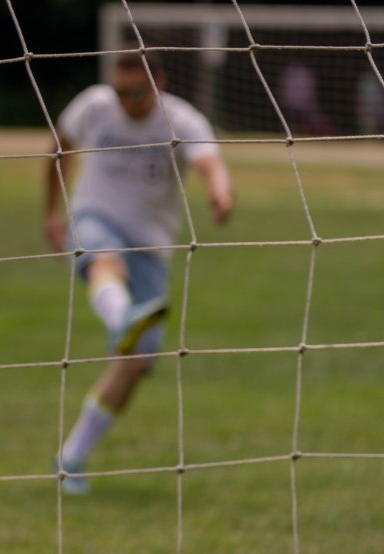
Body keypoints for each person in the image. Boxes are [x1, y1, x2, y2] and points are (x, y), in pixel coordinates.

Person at [45, 50, 233, 495]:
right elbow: (59, 146)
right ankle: (121, 317)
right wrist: (51, 213)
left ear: (159, 84)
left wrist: (220, 195)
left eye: (137, 91)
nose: (127, 100)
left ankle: (70, 456)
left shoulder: (181, 121)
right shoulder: (93, 106)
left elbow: (210, 162)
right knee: (105, 257)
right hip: (95, 217)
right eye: (119, 90)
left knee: (134, 364)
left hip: (151, 245)